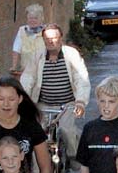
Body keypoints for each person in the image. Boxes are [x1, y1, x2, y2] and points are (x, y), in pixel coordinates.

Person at [21, 24, 91, 159]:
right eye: (47, 38)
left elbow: (81, 79)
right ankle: (41, 169)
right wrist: (24, 100)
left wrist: (81, 101)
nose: (50, 41)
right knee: (39, 136)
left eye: (54, 38)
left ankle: (74, 156)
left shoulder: (71, 54)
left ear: (61, 38)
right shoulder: (37, 56)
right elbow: (28, 78)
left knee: (66, 129)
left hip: (67, 105)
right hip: (43, 105)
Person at [10, 4, 46, 76]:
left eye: (35, 18)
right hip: (26, 70)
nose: (32, 20)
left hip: (43, 71)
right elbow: (16, 49)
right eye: (30, 18)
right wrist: (14, 66)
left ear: (41, 19)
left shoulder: (46, 31)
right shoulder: (22, 30)